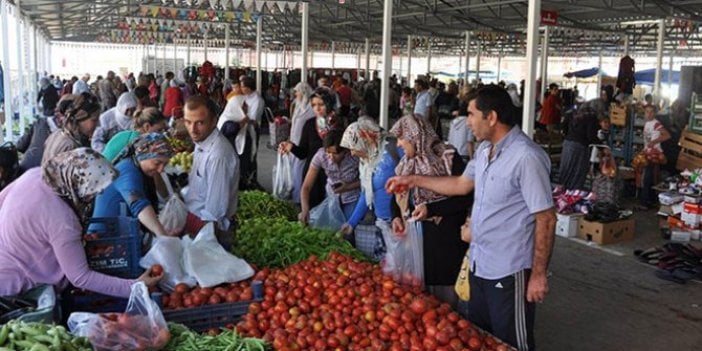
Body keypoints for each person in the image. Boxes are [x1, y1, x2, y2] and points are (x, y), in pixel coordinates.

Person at [386, 85, 556, 351]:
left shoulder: (527, 157)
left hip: (509, 269)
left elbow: (546, 218)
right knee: (481, 338)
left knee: (511, 342)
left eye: (471, 114)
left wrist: (538, 274)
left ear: (492, 117)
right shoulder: (485, 151)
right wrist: (412, 180)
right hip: (479, 264)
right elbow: (461, 185)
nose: (467, 121)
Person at [0, 148, 162, 298]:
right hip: (19, 288)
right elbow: (80, 277)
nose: (93, 198)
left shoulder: (35, 175)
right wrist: (134, 286)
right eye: (92, 192)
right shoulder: (63, 221)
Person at [387, 114, 469, 307]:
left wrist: (431, 209)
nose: (398, 144)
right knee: (421, 298)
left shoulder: (448, 158)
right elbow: (396, 195)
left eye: (401, 138)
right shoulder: (406, 163)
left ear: (416, 136)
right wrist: (396, 217)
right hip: (416, 241)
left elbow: (466, 197)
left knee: (445, 302)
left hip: (445, 241)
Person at [182, 96, 239, 249]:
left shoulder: (218, 155)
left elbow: (215, 212)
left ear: (214, 121)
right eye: (188, 122)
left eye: (200, 123)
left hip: (209, 231)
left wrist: (203, 246)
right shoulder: (202, 140)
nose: (192, 130)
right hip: (196, 222)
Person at [92, 133, 175, 237]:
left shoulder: (140, 170)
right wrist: (164, 236)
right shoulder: (127, 170)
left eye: (165, 164)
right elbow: (139, 206)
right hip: (104, 240)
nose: (161, 169)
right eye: (157, 163)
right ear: (143, 156)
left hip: (121, 236)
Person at [339, 118, 403, 238]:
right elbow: (366, 193)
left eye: (354, 146)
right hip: (382, 222)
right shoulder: (366, 162)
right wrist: (351, 223)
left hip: (402, 221)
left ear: (366, 139)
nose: (353, 153)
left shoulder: (393, 149)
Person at [278, 88, 341, 210]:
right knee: (312, 212)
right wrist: (291, 147)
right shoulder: (309, 124)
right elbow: (303, 153)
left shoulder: (340, 124)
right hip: (313, 175)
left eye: (321, 104)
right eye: (313, 105)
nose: (317, 109)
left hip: (334, 175)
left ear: (329, 104)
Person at [298, 130, 360, 229]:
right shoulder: (320, 156)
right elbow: (306, 186)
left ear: (344, 151)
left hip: (352, 197)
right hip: (332, 196)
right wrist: (305, 209)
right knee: (331, 228)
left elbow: (368, 181)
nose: (331, 157)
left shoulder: (354, 157)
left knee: (348, 229)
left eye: (335, 154)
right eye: (328, 152)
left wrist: (348, 187)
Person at [42, 93, 101, 164]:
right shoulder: (71, 147)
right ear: (79, 119)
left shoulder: (57, 134)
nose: (98, 124)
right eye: (94, 120)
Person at [558, 105, 601, 190]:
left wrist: (570, 136)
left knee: (566, 170)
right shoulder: (592, 117)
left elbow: (563, 128)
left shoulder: (572, 114)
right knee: (577, 172)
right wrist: (602, 146)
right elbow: (591, 136)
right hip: (580, 147)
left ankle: (561, 193)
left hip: (567, 144)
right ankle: (573, 193)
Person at [102, 107, 168, 162]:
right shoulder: (138, 141)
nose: (161, 134)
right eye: (159, 130)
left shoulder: (127, 134)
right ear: (147, 127)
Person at [637, 104, 671, 210]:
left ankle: (644, 203)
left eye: (651, 111)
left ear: (655, 113)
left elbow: (667, 135)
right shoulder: (647, 123)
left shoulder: (656, 123)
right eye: (647, 111)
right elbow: (647, 140)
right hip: (648, 153)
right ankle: (651, 200)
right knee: (649, 177)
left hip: (654, 154)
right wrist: (644, 149)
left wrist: (654, 142)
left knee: (647, 177)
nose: (649, 113)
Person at [288, 82, 316, 203]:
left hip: (304, 143)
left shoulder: (311, 108)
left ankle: (301, 198)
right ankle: (296, 195)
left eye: (298, 91)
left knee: (300, 169)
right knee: (295, 169)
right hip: (295, 141)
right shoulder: (299, 106)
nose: (296, 94)